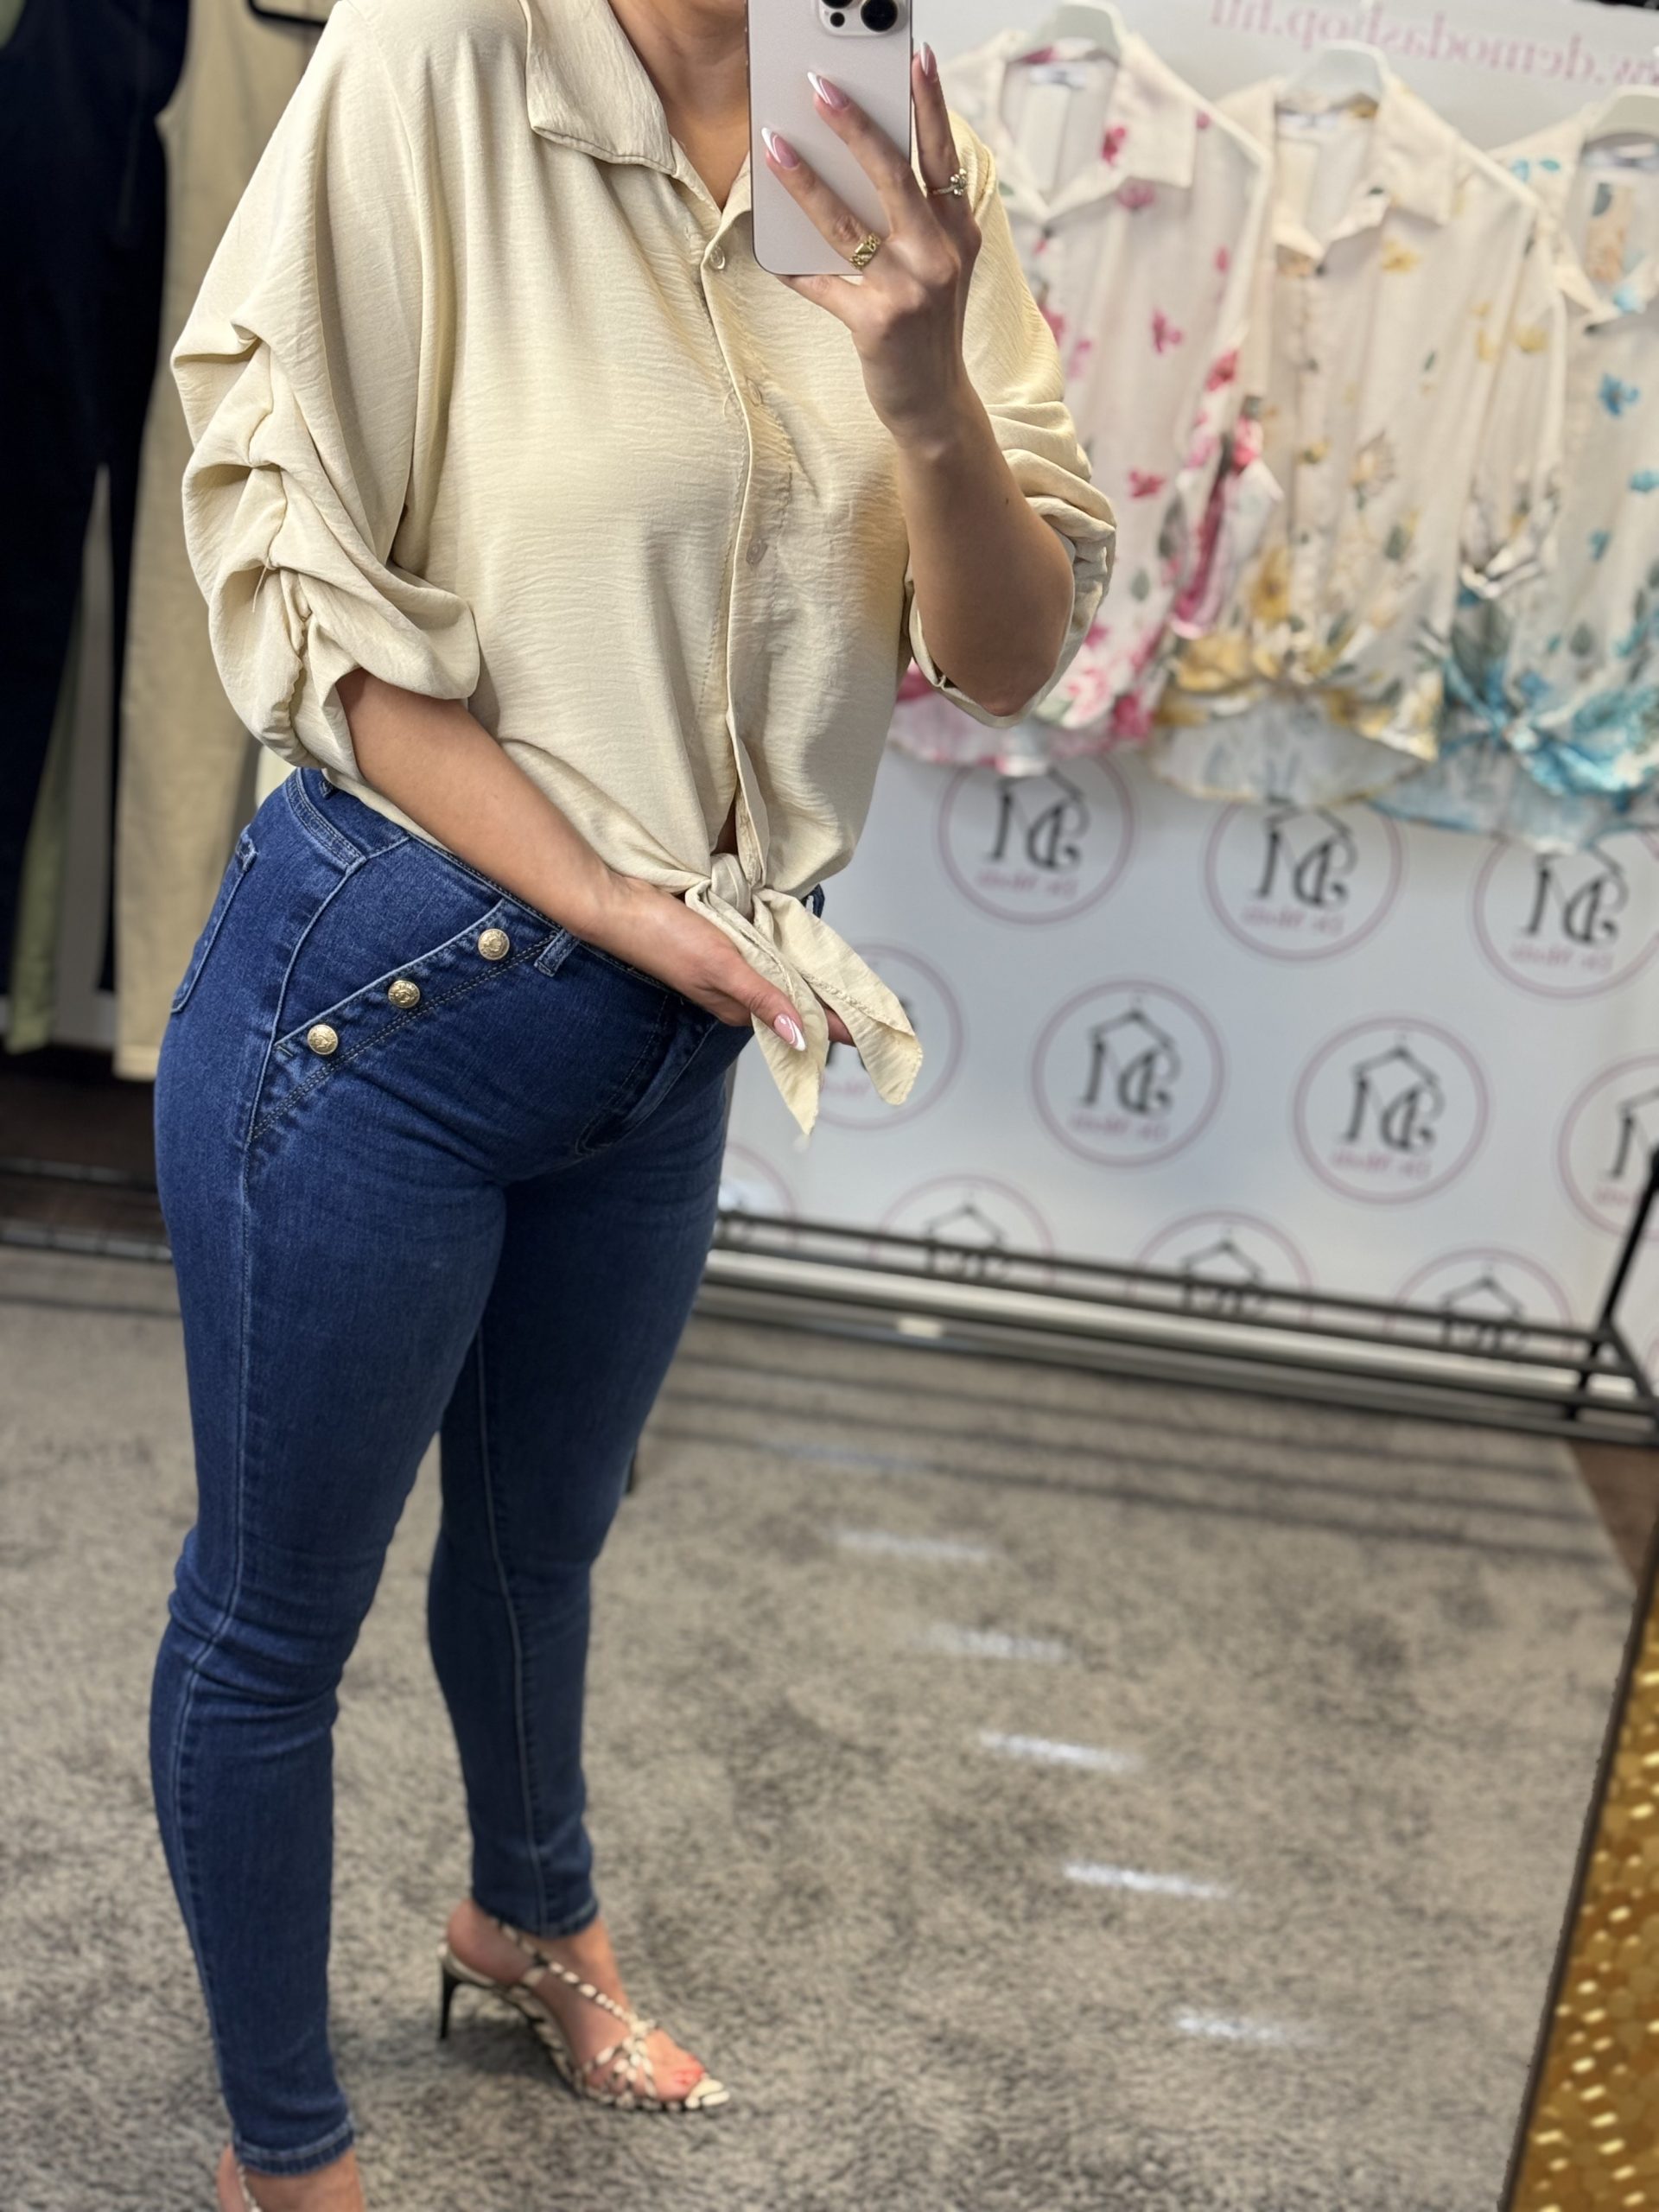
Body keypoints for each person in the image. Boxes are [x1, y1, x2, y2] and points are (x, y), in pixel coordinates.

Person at [149, 0, 1116, 2206]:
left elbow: (1006, 649)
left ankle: (529, 1921)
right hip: (382, 1003)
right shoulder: (432, 61)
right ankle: (285, 2155)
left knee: (540, 1548)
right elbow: (296, 584)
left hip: (665, 1038)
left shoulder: (890, 139)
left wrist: (922, 387)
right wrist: (611, 900)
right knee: (275, 1618)